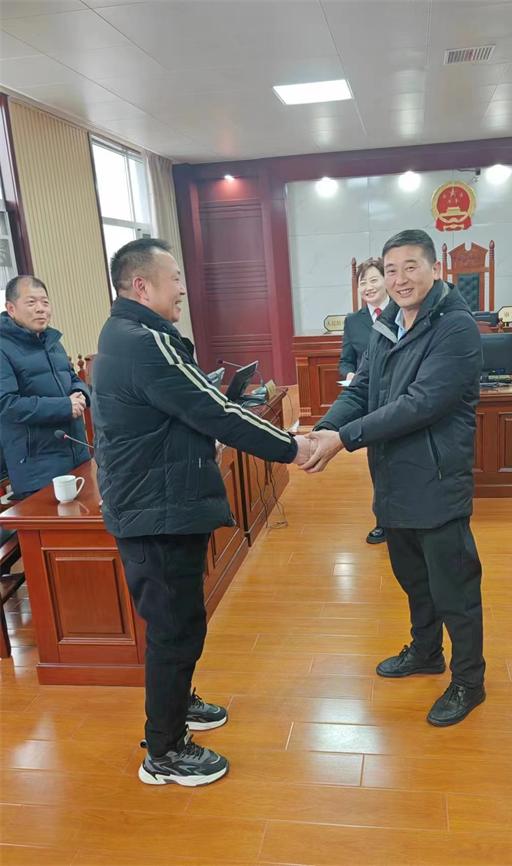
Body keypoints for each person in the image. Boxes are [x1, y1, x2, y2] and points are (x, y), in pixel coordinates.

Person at [91, 238, 312, 787]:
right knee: (174, 628)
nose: (182, 290)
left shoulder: (126, 335)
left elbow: (180, 413)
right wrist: (292, 446)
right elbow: (217, 411)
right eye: (174, 279)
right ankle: (164, 752)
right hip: (156, 510)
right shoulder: (144, 342)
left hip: (157, 501)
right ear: (141, 286)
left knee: (180, 622)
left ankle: (177, 703)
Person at [302, 229, 486, 727]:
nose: (400, 279)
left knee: (454, 589)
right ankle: (426, 651)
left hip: (437, 480)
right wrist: (324, 429)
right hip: (393, 479)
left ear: (434, 269)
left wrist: (344, 439)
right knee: (413, 580)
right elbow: (362, 388)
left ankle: (470, 681)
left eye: (411, 267)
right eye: (391, 270)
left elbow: (419, 404)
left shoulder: (456, 328)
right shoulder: (386, 323)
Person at [0, 275, 90, 500]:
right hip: (37, 468)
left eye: (45, 302)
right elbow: (6, 404)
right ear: (11, 308)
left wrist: (81, 394)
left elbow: (72, 377)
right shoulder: (3, 348)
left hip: (76, 454)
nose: (41, 309)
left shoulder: (52, 341)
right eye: (31, 303)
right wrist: (64, 406)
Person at [339, 257, 390, 545]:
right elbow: (346, 360)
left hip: (399, 396)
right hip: (369, 402)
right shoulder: (353, 321)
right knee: (378, 460)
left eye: (373, 279)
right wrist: (349, 373)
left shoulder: (402, 312)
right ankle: (383, 520)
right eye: (363, 282)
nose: (368, 287)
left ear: (386, 281)